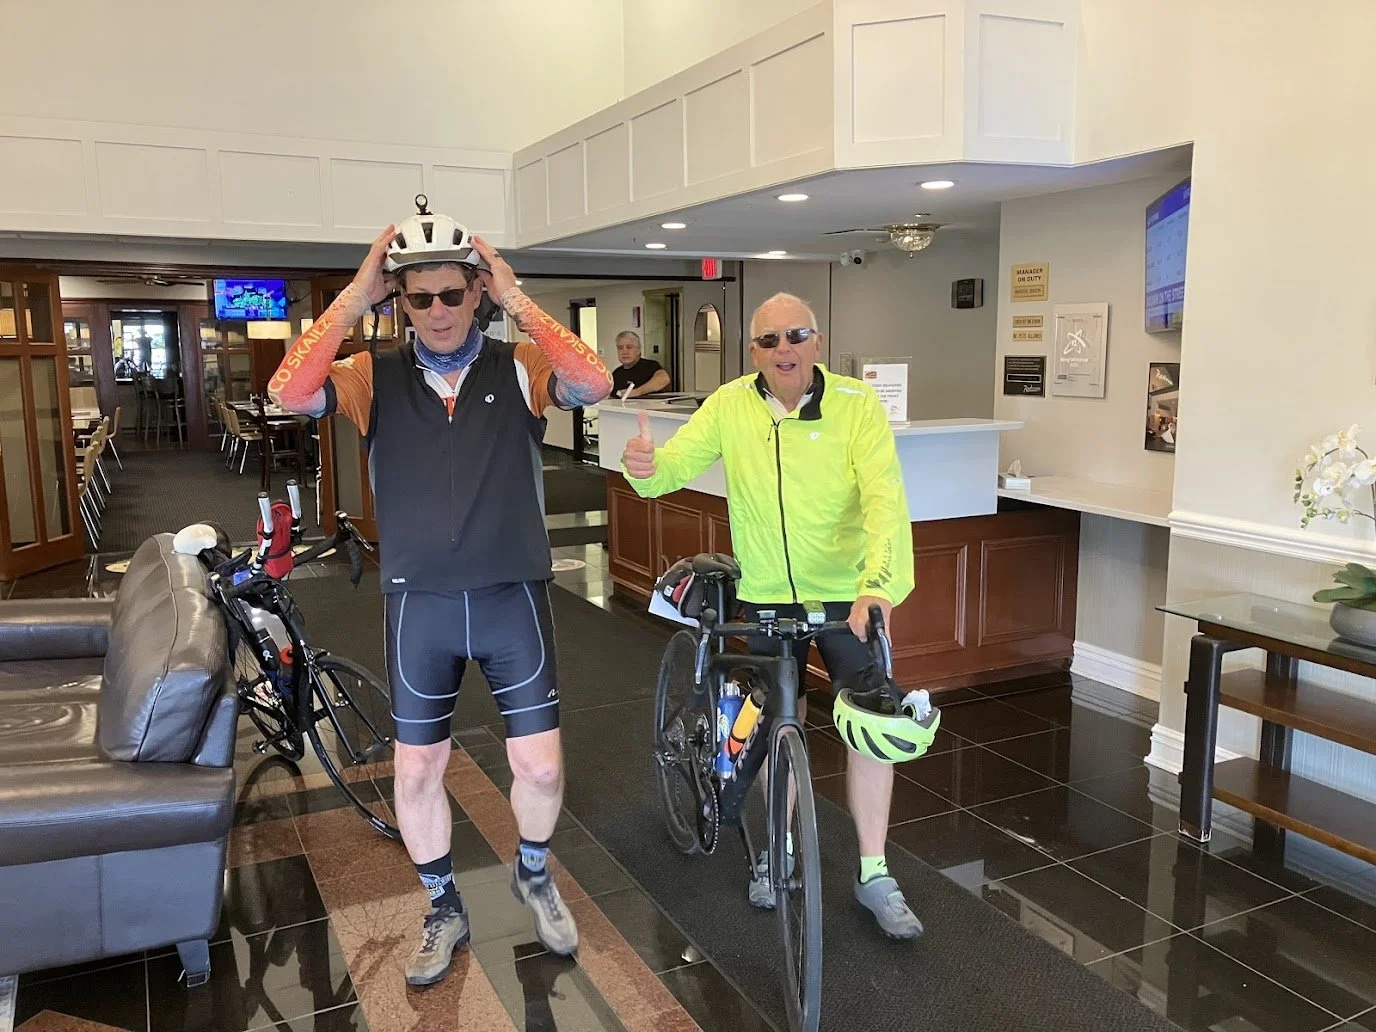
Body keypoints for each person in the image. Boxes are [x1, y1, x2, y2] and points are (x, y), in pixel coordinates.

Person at [268, 204, 613, 985]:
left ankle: (532, 869)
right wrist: (354, 299)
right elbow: (290, 394)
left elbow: (593, 380)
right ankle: (442, 905)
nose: (437, 312)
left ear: (477, 292)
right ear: (401, 302)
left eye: (452, 295)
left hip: (510, 598)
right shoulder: (369, 376)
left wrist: (519, 297)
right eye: (417, 298)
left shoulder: (519, 366)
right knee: (418, 772)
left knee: (543, 768)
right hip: (418, 604)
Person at [620, 291, 923, 940]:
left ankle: (873, 871)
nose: (782, 349)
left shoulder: (855, 405)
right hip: (765, 596)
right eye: (768, 340)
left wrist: (878, 585)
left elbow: (883, 500)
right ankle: (777, 852)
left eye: (795, 336)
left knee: (871, 728)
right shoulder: (730, 404)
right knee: (769, 726)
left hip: (848, 599)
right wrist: (645, 468)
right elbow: (672, 466)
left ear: (816, 340)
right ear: (751, 351)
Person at [611, 330, 670, 398]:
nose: (625, 352)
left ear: (639, 349)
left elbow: (664, 379)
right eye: (620, 348)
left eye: (629, 347)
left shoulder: (650, 366)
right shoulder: (616, 374)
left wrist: (637, 392)